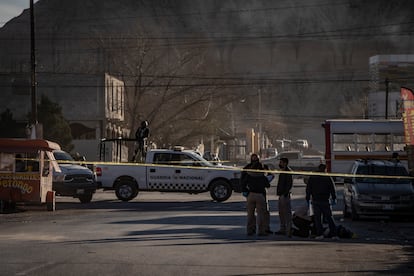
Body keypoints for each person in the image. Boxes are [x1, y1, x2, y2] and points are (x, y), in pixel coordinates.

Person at [241, 154, 274, 234]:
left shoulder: (248, 172)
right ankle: (262, 230)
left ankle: (250, 230)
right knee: (261, 214)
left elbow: (243, 182)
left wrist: (245, 191)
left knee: (250, 214)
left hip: (250, 194)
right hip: (261, 194)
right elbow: (268, 183)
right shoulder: (262, 174)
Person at [306, 164, 338, 240]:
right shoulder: (327, 177)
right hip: (325, 200)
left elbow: (308, 188)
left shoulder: (313, 177)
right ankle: (334, 234)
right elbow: (332, 188)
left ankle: (320, 234)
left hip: (316, 200)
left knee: (318, 219)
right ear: (325, 169)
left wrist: (308, 198)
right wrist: (334, 198)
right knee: (329, 218)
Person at [275, 157, 293, 237]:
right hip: (281, 195)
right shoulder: (282, 171)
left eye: (281, 162)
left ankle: (289, 230)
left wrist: (285, 193)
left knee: (287, 214)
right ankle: (282, 228)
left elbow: (289, 184)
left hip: (285, 196)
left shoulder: (288, 172)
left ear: (285, 163)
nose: (280, 164)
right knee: (281, 213)